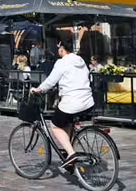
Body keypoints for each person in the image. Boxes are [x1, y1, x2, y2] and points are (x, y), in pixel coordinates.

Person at [31, 38, 94, 170]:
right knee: (67, 123)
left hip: (72, 101)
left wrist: (38, 89)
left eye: (58, 47)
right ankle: (69, 155)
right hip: (88, 101)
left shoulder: (62, 62)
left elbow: (51, 81)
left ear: (61, 48)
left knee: (54, 126)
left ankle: (71, 154)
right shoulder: (80, 60)